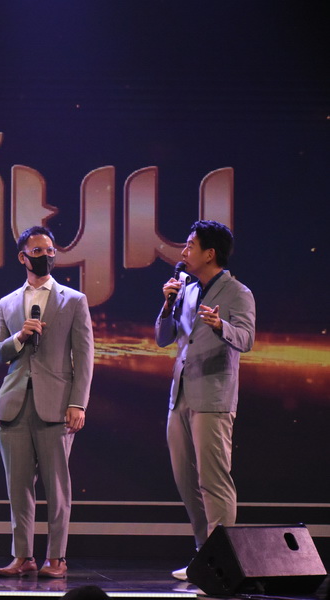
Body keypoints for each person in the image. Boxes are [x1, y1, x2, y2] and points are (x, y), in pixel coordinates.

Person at [0, 225, 94, 579]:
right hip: (15, 404)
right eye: (37, 251)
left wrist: (78, 403)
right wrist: (19, 337)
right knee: (18, 487)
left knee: (57, 487)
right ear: (23, 257)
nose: (46, 256)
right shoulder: (8, 303)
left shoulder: (73, 300)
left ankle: (57, 557)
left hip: (57, 405)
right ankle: (23, 556)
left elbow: (84, 357)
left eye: (50, 251)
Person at [156, 220, 255, 580]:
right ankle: (204, 555)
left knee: (213, 481)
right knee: (186, 481)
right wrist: (167, 304)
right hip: (181, 393)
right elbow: (163, 338)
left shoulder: (237, 293)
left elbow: (246, 338)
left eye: (190, 246)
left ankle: (222, 563)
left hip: (213, 396)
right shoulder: (185, 288)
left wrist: (220, 326)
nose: (183, 252)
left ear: (210, 254)